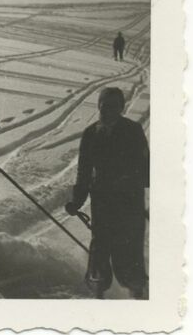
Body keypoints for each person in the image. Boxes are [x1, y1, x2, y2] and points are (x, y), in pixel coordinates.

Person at [65, 87, 149, 299]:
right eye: (103, 105)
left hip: (129, 201)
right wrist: (77, 199)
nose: (107, 110)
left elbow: (146, 168)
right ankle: (98, 291)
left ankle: (137, 293)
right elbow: (84, 171)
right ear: (99, 106)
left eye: (112, 106)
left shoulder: (133, 130)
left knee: (129, 249)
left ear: (121, 108)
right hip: (102, 201)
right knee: (100, 247)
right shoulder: (91, 133)